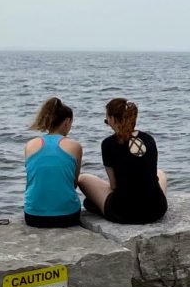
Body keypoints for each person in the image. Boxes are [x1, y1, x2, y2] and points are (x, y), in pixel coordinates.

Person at [78, 96, 168, 224]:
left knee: (83, 178)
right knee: (160, 173)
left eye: (107, 118)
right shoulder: (149, 139)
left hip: (124, 212)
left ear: (112, 119)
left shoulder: (109, 144)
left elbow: (114, 185)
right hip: (156, 210)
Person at [23, 96, 84, 227]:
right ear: (67, 121)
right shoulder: (75, 146)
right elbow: (73, 183)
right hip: (67, 216)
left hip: (33, 216)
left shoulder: (30, 145)